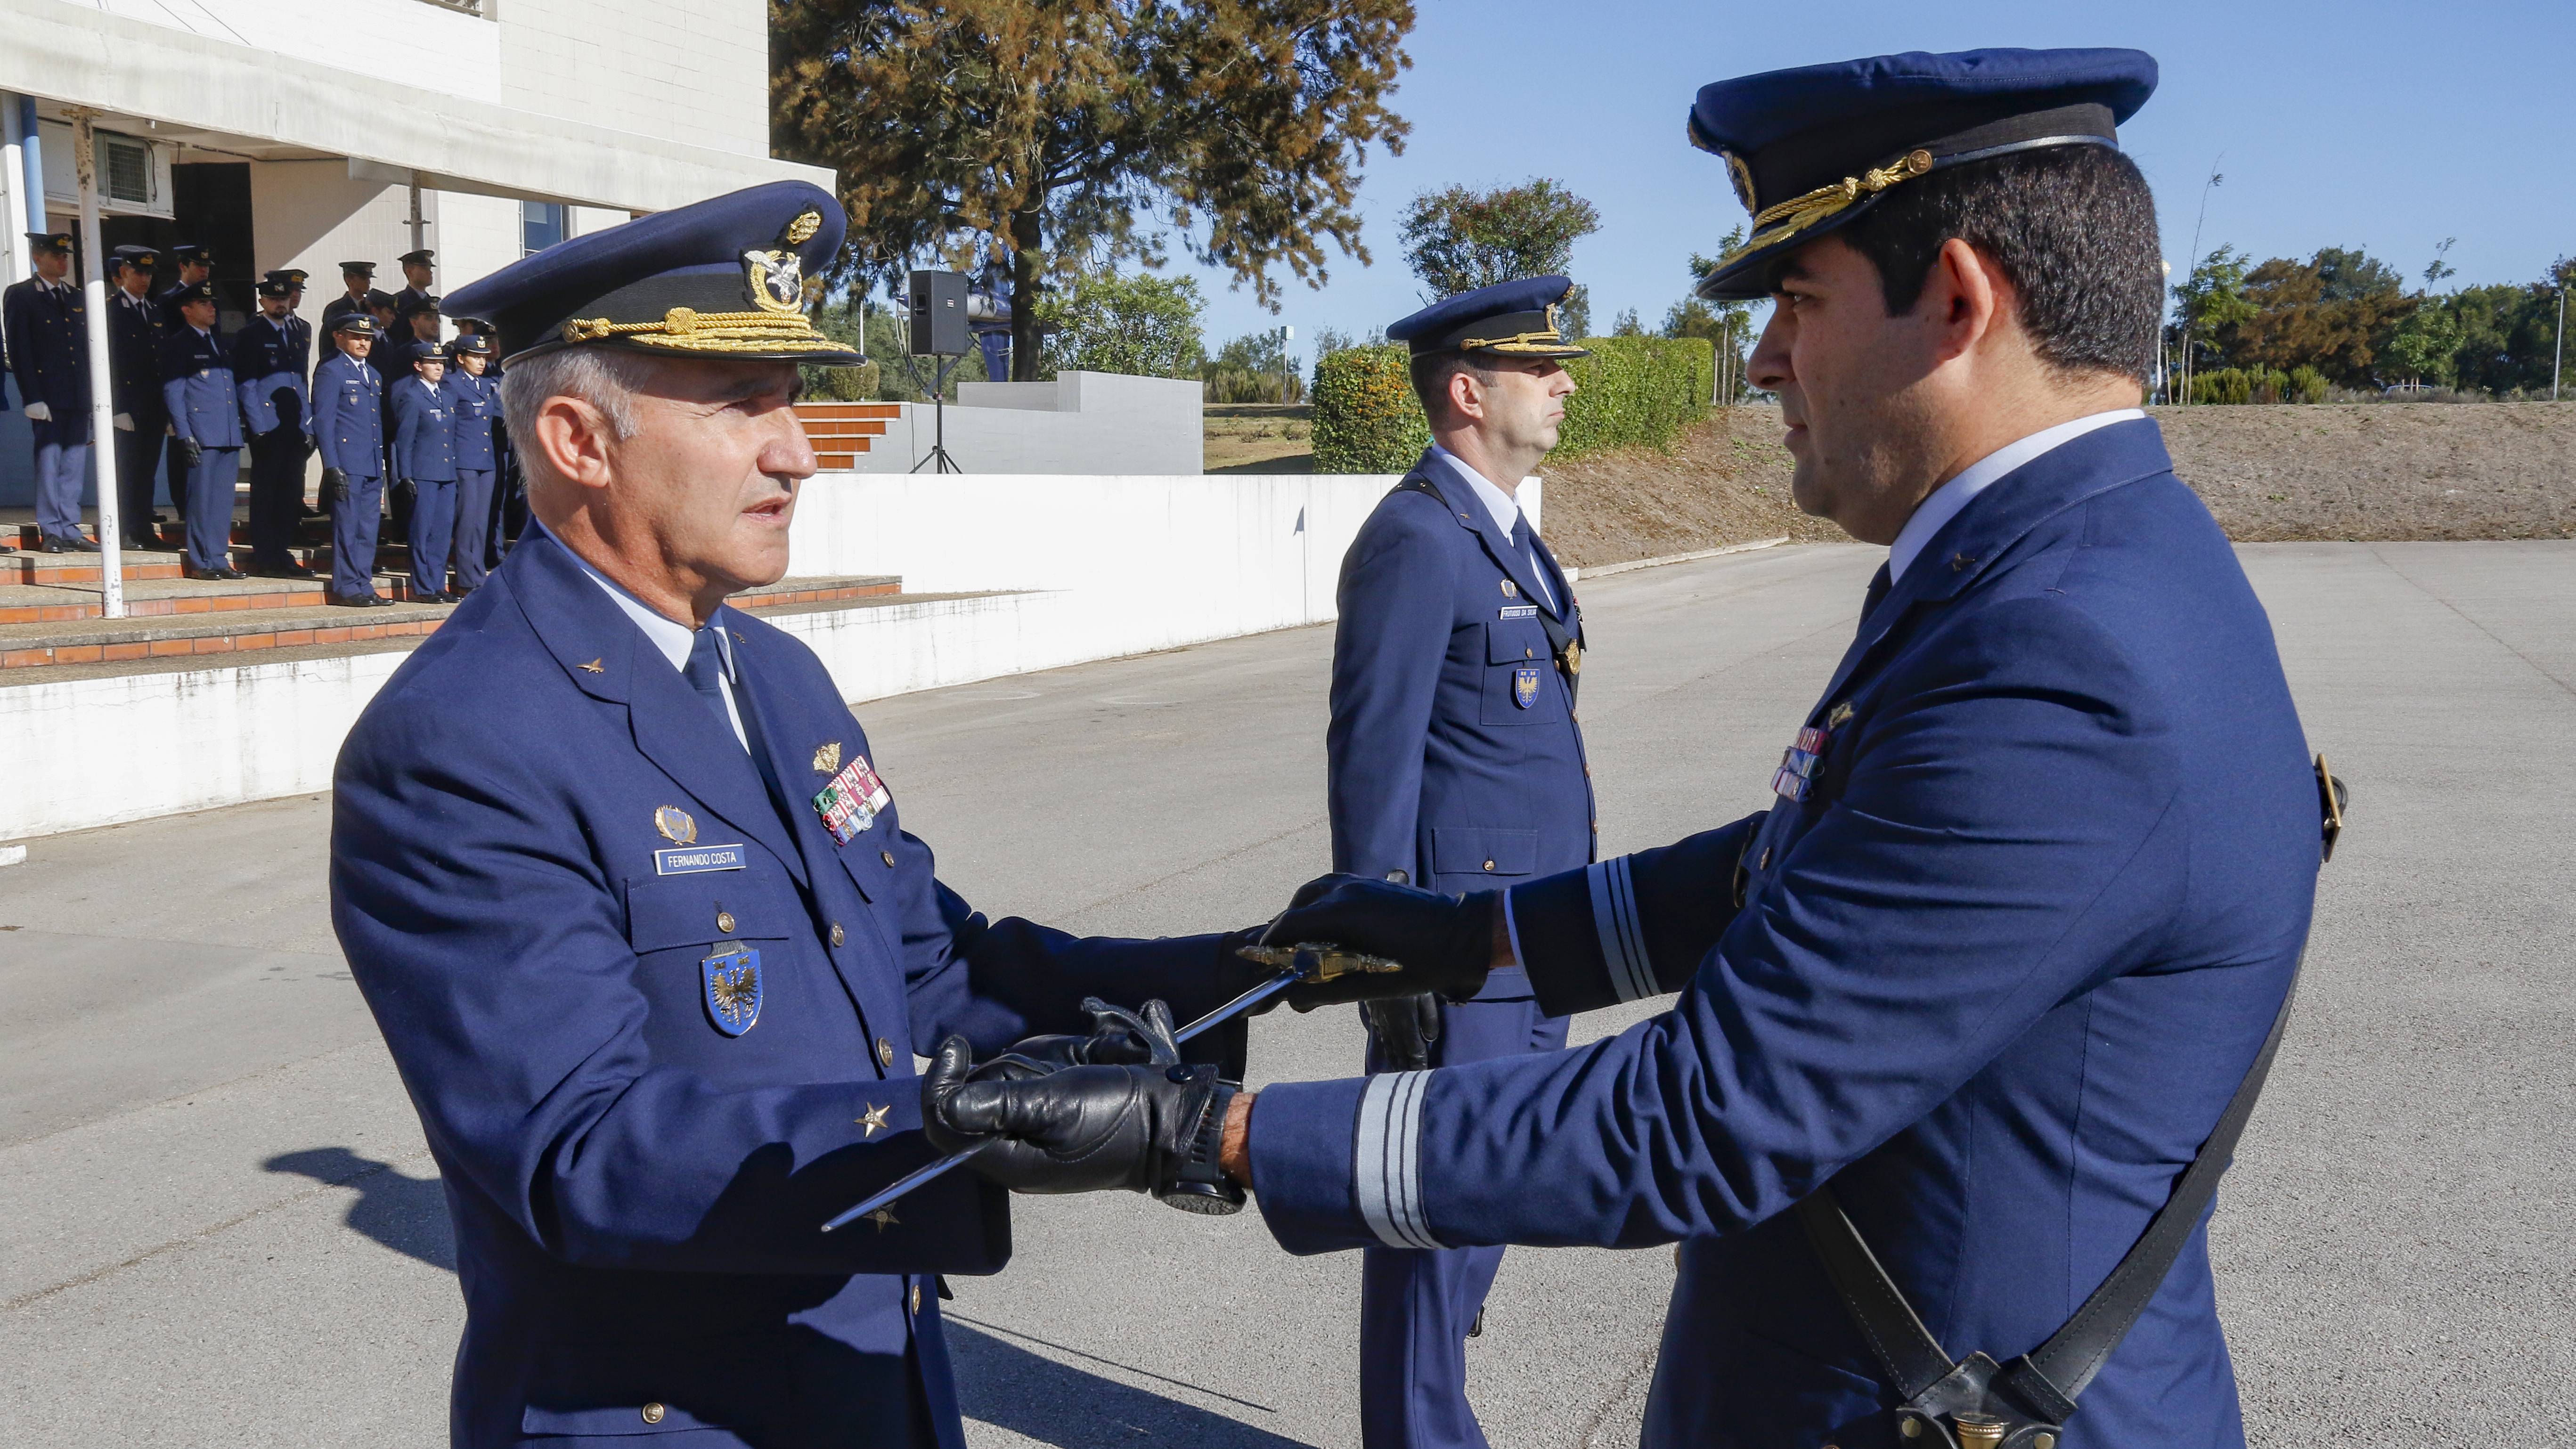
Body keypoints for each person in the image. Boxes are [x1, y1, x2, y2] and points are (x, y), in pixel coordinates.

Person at [926, 47, 2334, 1449]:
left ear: (1958, 301)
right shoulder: (2060, 568)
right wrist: (1466, 935)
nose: (1766, 353)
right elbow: (1796, 867)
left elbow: (1700, 1116)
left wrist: (1207, 1135)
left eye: (1796, 298)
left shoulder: (2063, 654)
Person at [330, 179, 1268, 1449]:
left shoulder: (775, 674)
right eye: (740, 405)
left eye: (790, 401)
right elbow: (583, 1144)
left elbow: (929, 966)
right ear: (577, 441)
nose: (797, 452)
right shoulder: (461, 740)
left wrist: (1250, 972)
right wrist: (951, 1136)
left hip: (878, 1372)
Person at [1326, 275, 1595, 1449]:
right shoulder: (1416, 539)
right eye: (1544, 369)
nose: (1568, 382)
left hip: (1537, 934)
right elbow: (1370, 757)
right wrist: (1381, 961)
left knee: (1499, 1187)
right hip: (1458, 946)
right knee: (1434, 1198)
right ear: (1470, 390)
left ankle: (1429, 1386)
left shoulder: (1506, 533)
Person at [5, 229, 98, 552]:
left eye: (65, 256)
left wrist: (93, 394)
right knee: (49, 460)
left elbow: (85, 350)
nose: (62, 261)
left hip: (76, 392)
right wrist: (31, 396)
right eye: (56, 255)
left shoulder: (75, 296)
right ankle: (52, 530)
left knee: (73, 462)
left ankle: (70, 527)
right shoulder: (22, 295)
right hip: (47, 393)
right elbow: (20, 349)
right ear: (37, 257)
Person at [161, 279, 246, 580]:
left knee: (223, 502)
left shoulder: (218, 342)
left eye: (213, 304)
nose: (212, 308)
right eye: (204, 304)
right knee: (200, 500)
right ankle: (201, 561)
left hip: (227, 432)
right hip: (201, 434)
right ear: (186, 310)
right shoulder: (179, 344)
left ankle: (219, 558)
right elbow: (175, 392)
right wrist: (184, 434)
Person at [235, 276, 314, 576]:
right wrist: (259, 428)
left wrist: (308, 425)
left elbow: (300, 382)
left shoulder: (295, 332)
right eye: (273, 299)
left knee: (289, 493)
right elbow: (247, 384)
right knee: (267, 494)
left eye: (284, 299)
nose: (280, 303)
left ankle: (282, 553)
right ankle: (267, 557)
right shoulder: (252, 334)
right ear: (263, 302)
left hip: (293, 425)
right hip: (268, 426)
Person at [311, 313, 391, 607]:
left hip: (370, 463)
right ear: (340, 337)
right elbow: (324, 421)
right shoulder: (331, 371)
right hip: (347, 463)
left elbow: (374, 423)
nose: (363, 343)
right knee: (347, 526)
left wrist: (380, 461)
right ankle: (346, 587)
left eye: (368, 338)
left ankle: (363, 583)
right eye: (357, 337)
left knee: (368, 529)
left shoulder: (373, 374)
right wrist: (331, 466)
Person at [105, 244, 170, 549]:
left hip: (153, 407)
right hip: (127, 407)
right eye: (138, 272)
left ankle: (144, 529)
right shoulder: (110, 309)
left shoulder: (154, 311)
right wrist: (117, 408)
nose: (145, 279)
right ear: (123, 273)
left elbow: (160, 363)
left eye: (148, 273)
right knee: (127, 472)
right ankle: (126, 531)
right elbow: (109, 362)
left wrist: (167, 411)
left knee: (147, 473)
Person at [388, 340, 458, 602]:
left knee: (442, 532)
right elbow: (404, 440)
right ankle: (423, 587)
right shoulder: (412, 396)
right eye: (432, 363)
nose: (439, 368)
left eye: (441, 363)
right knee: (422, 531)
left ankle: (438, 583)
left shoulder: (448, 396)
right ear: (419, 366)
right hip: (424, 473)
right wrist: (405, 475)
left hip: (446, 473)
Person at [154, 244, 215, 525]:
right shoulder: (168, 301)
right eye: (198, 266)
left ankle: (200, 508)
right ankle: (183, 506)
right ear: (183, 266)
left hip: (206, 385)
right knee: (181, 449)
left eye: (206, 267)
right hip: (179, 379)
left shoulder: (211, 300)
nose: (203, 271)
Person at [443, 333, 501, 596]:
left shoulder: (485, 384)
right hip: (464, 459)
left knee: (481, 520)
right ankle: (467, 577)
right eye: (475, 357)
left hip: (485, 459)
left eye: (483, 357)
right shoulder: (452, 384)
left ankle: (477, 572)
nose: (481, 362)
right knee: (467, 519)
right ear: (460, 358)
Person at [321, 260, 376, 330]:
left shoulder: (371, 307)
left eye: (369, 278)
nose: (369, 282)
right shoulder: (336, 309)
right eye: (363, 278)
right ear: (349, 280)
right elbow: (327, 338)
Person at [393, 247, 434, 316]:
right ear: (410, 272)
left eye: (430, 268)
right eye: (425, 268)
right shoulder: (399, 301)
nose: (430, 272)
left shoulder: (432, 302)